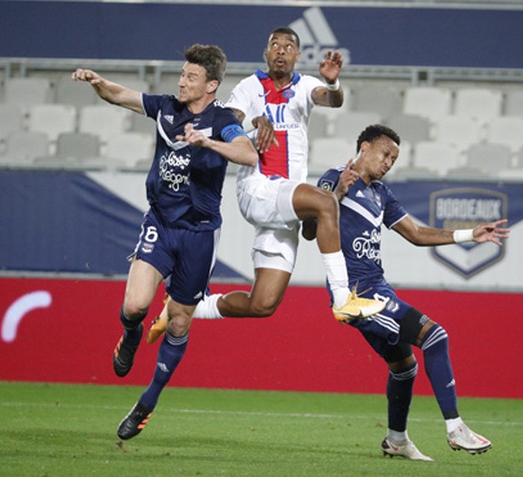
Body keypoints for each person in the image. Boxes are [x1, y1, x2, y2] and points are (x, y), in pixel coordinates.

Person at [146, 26, 384, 343]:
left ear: (298, 56)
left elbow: (332, 99)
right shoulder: (249, 87)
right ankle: (342, 299)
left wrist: (332, 81)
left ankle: (184, 306)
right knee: (326, 202)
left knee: (262, 304)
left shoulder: (306, 87)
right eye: (275, 45)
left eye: (289, 46)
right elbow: (226, 119)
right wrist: (254, 121)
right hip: (259, 188)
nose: (281, 50)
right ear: (266, 53)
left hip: (284, 202)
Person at [71, 44, 259, 440]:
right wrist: (98, 82)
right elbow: (121, 96)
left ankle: (147, 403)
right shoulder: (166, 107)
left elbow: (248, 154)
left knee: (178, 319)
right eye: (182, 74)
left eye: (191, 77)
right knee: (135, 305)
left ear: (211, 85)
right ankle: (132, 334)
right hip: (160, 222)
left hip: (199, 233)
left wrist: (208, 144)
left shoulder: (222, 119)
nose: (181, 81)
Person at [303, 124, 510, 461]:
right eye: (385, 154)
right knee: (435, 335)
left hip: (379, 288)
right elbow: (309, 231)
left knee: (403, 366)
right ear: (365, 147)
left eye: (394, 159)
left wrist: (470, 234)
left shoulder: (381, 194)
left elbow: (415, 233)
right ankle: (456, 427)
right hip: (356, 295)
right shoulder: (333, 178)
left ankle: (396, 440)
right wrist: (336, 193)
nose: (388, 162)